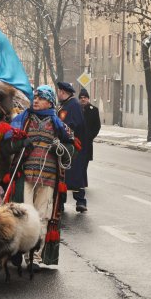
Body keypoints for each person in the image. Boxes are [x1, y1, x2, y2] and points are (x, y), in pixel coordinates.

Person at [4, 85, 76, 266]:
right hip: (25, 175)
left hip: (49, 177)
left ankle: (34, 256)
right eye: (34, 97)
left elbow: (72, 147)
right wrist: (21, 143)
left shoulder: (58, 124)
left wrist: (59, 147)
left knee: (42, 217)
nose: (35, 100)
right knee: (24, 215)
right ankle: (20, 250)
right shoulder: (22, 120)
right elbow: (5, 145)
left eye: (40, 98)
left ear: (50, 102)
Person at [56, 81, 87, 213]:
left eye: (59, 92)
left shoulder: (72, 105)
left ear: (63, 92)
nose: (57, 94)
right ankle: (61, 203)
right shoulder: (66, 104)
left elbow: (72, 124)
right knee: (63, 175)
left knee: (74, 175)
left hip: (72, 145)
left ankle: (80, 201)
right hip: (66, 144)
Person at [78, 88, 100, 192]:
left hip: (87, 142)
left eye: (85, 97)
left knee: (85, 162)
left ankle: (82, 181)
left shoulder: (93, 110)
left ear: (88, 98)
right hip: (77, 141)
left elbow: (97, 126)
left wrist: (90, 136)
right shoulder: (76, 109)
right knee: (78, 162)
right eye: (81, 98)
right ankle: (80, 182)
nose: (83, 99)